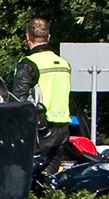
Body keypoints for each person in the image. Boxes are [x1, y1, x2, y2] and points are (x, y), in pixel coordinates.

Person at [10, 17, 73, 164]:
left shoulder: (28, 64)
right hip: (63, 130)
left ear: (27, 37)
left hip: (41, 131)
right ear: (49, 37)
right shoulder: (64, 64)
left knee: (29, 177)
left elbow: (19, 101)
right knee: (49, 179)